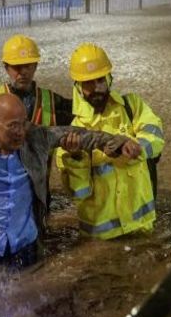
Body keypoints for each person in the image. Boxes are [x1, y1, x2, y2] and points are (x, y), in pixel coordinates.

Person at [0, 93, 135, 267]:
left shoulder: (36, 137)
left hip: (25, 246)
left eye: (24, 123)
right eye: (13, 126)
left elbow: (83, 135)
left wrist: (117, 143)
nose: (21, 132)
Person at [57, 44, 165, 239]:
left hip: (142, 226)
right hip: (101, 240)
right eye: (88, 83)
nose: (96, 88)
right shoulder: (73, 133)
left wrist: (137, 148)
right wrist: (75, 157)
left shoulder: (132, 106)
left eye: (100, 80)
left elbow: (156, 136)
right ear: (78, 88)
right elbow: (78, 194)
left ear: (109, 78)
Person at [0, 34, 74, 129]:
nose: (23, 72)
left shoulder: (51, 100)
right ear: (6, 68)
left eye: (28, 66)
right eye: (17, 67)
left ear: (35, 66)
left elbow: (81, 115)